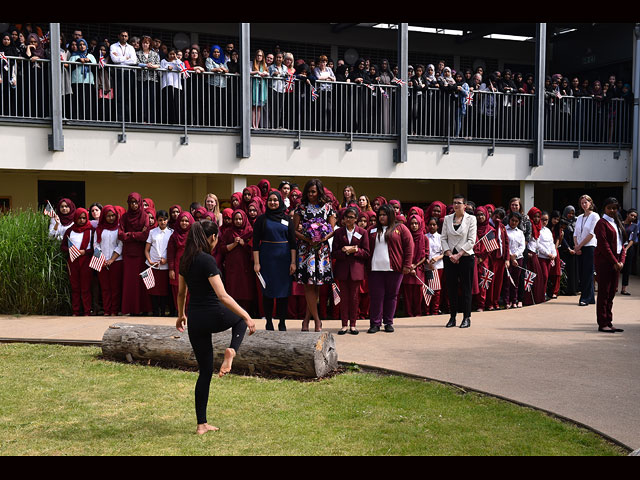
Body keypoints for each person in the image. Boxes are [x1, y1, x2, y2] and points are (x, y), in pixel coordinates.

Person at [176, 220, 256, 435]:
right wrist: (246, 315)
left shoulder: (185, 259)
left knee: (204, 372)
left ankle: (201, 424)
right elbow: (222, 296)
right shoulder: (207, 260)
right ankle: (231, 351)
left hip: (195, 319)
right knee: (239, 320)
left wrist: (180, 315)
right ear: (211, 238)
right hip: (214, 314)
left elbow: (181, 293)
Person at [293, 179, 337, 332]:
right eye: (309, 192)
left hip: (321, 251)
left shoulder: (328, 207)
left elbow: (332, 229)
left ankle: (306, 320)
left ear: (319, 192)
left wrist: (323, 237)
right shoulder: (301, 207)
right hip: (306, 251)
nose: (311, 194)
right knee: (308, 285)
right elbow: (294, 231)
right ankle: (317, 321)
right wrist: (308, 238)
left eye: (314, 191)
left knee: (316, 286)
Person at [252, 191, 297, 331]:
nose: (272, 202)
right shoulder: (261, 220)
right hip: (267, 259)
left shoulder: (287, 219)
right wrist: (256, 263)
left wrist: (293, 262)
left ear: (280, 202)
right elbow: (255, 243)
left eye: (275, 200)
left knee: (283, 293)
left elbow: (293, 243)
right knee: (268, 292)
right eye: (270, 200)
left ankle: (282, 322)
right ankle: (269, 322)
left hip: (284, 260)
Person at [366, 204, 413, 333]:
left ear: (391, 215)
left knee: (391, 296)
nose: (381, 217)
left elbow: (409, 247)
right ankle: (375, 323)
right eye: (380, 215)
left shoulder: (401, 228)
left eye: (384, 215)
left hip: (395, 270)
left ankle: (388, 322)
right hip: (375, 270)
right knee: (376, 296)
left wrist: (407, 265)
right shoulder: (372, 229)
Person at [332, 206, 370, 334]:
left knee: (354, 298)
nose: (349, 219)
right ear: (343, 219)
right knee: (344, 297)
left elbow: (366, 253)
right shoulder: (338, 233)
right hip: (342, 269)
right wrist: (343, 251)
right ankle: (344, 324)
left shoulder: (362, 232)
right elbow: (334, 252)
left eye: (352, 217)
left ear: (356, 219)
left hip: (356, 269)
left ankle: (353, 324)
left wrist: (356, 250)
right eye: (347, 217)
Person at [441, 194, 477, 328]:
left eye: (459, 203)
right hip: (449, 257)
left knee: (466, 288)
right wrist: (450, 254)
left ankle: (466, 317)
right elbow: (443, 238)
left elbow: (471, 240)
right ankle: (452, 317)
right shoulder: (447, 219)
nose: (456, 205)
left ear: (465, 205)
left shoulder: (471, 219)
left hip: (466, 257)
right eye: (454, 202)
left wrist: (459, 254)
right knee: (451, 288)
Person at [593, 198, 626, 332]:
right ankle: (602, 323)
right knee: (604, 293)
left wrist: (621, 261)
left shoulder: (617, 223)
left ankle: (609, 321)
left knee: (612, 292)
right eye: (609, 208)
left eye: (614, 208)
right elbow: (604, 245)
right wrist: (614, 262)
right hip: (605, 262)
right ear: (604, 208)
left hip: (616, 263)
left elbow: (623, 244)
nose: (612, 210)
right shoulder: (601, 223)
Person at [119, 192, 152, 316]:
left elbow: (145, 236)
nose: (133, 205)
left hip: (140, 254)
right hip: (128, 254)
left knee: (141, 282)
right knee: (129, 282)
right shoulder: (124, 217)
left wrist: (129, 234)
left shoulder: (144, 216)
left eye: (136, 202)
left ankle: (142, 308)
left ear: (140, 202)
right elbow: (120, 234)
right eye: (131, 202)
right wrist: (136, 234)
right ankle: (130, 309)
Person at [220, 209, 256, 316]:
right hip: (233, 267)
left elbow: (253, 249)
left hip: (246, 267)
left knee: (246, 290)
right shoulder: (228, 232)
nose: (238, 221)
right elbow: (222, 248)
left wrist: (243, 243)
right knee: (233, 290)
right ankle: (233, 314)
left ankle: (246, 314)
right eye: (236, 219)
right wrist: (234, 244)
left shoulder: (250, 231)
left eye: (240, 219)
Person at [94, 205, 123, 316]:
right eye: (108, 216)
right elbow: (96, 244)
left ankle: (114, 311)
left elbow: (120, 245)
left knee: (115, 288)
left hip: (116, 261)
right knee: (105, 287)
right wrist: (102, 258)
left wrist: (111, 259)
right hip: (101, 261)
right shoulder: (99, 229)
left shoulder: (119, 228)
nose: (111, 218)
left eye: (113, 216)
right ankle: (107, 310)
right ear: (104, 217)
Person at [145, 209, 173, 317]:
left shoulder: (171, 232)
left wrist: (166, 260)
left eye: (165, 219)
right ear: (157, 220)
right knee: (153, 291)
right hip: (153, 266)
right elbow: (146, 249)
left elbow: (172, 249)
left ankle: (163, 312)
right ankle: (155, 312)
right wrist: (150, 260)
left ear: (167, 220)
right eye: (160, 220)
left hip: (165, 266)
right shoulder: (152, 232)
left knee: (164, 291)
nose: (163, 222)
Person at [574, 195, 599, 306]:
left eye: (586, 202)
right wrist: (576, 246)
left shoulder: (595, 216)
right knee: (582, 272)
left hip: (589, 246)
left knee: (588, 273)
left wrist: (580, 246)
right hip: (579, 247)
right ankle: (591, 298)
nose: (584, 205)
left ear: (590, 203)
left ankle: (584, 297)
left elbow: (591, 234)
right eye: (582, 203)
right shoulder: (579, 217)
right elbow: (575, 233)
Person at [401, 214, 427, 318]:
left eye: (416, 223)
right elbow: (402, 252)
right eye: (412, 223)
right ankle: (408, 313)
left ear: (420, 224)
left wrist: (415, 266)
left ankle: (417, 313)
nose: (414, 225)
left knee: (418, 294)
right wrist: (409, 266)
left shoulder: (424, 238)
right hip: (407, 269)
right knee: (407, 294)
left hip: (418, 269)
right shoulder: (406, 237)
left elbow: (425, 256)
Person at [168, 211, 195, 310]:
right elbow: (170, 254)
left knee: (190, 290)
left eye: (187, 221)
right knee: (179, 290)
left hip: (191, 264)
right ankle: (180, 313)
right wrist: (171, 269)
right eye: (182, 221)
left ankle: (190, 313)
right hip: (177, 265)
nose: (184, 223)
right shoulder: (174, 236)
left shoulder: (194, 235)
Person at [109, 30, 137, 122]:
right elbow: (114, 59)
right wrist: (126, 58)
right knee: (119, 96)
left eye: (126, 36)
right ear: (118, 36)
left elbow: (134, 61)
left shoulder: (131, 48)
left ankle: (128, 119)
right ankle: (119, 118)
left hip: (129, 73)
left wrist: (120, 60)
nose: (124, 37)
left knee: (128, 96)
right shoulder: (113, 46)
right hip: (118, 72)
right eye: (122, 35)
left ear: (128, 37)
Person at [473, 206, 495, 312]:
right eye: (477, 215)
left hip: (485, 260)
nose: (480, 217)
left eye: (482, 214)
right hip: (473, 258)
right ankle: (474, 304)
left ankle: (482, 305)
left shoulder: (490, 230)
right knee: (474, 282)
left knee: (483, 282)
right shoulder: (473, 228)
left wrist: (481, 258)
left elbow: (490, 247)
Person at [487, 208, 509, 310]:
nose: (498, 219)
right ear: (493, 215)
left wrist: (507, 258)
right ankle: (490, 303)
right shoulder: (489, 226)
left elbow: (506, 243)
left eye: (500, 218)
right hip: (492, 259)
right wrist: (495, 225)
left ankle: (496, 302)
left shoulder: (502, 227)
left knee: (499, 282)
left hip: (501, 259)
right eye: (496, 216)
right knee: (491, 282)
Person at [69, 38, 96, 121]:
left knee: (88, 101)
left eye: (83, 44)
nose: (82, 46)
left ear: (86, 46)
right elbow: (69, 67)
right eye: (80, 44)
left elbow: (96, 68)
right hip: (77, 81)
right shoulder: (74, 56)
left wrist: (89, 61)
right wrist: (78, 60)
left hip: (88, 81)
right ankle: (77, 117)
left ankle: (88, 118)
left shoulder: (91, 56)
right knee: (77, 100)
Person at [136, 35, 160, 124]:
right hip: (141, 79)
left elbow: (158, 64)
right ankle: (142, 119)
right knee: (141, 100)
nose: (145, 45)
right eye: (143, 43)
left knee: (152, 100)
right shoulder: (138, 53)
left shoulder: (155, 54)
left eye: (147, 43)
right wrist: (146, 65)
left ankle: (151, 120)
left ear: (150, 44)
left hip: (152, 79)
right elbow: (136, 63)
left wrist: (152, 66)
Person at [504, 212, 525, 308]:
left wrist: (515, 255)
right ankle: (506, 301)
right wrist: (510, 256)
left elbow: (522, 246)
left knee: (516, 281)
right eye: (512, 220)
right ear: (509, 219)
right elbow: (504, 244)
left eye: (516, 221)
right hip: (507, 258)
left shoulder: (520, 232)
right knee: (507, 280)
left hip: (518, 258)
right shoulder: (504, 230)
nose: (514, 222)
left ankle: (514, 301)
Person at [205, 45, 229, 127]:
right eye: (214, 52)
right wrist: (217, 69)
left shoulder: (223, 61)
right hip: (213, 85)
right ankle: (212, 123)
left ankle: (221, 123)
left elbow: (227, 70)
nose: (216, 53)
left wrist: (224, 70)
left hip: (222, 86)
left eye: (218, 52)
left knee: (222, 105)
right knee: (212, 104)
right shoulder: (209, 60)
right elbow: (209, 69)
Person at [621, 208, 638, 295]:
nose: (633, 217)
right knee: (616, 267)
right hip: (619, 247)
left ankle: (624, 288)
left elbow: (633, 239)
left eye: (635, 216)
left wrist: (626, 249)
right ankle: (614, 286)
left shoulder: (634, 226)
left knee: (627, 269)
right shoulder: (620, 224)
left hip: (629, 248)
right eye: (632, 215)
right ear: (627, 214)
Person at [250, 49, 269, 129]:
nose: (259, 57)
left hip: (262, 86)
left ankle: (257, 125)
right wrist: (257, 72)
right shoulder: (251, 63)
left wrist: (265, 73)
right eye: (258, 55)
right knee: (254, 107)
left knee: (259, 107)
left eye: (260, 55)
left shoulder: (264, 65)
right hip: (254, 86)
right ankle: (253, 124)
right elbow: (249, 71)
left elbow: (268, 73)